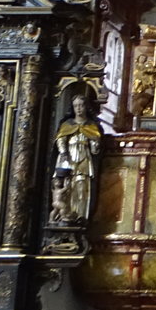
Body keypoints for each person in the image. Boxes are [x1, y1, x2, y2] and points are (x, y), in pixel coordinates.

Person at [52, 93, 103, 223]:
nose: (79, 108)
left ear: (86, 107)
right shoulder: (67, 125)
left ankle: (80, 215)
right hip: (68, 158)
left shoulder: (91, 126)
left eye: (81, 105)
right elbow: (61, 140)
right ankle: (65, 215)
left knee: (81, 187)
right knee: (66, 187)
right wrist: (63, 152)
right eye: (76, 106)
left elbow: (94, 147)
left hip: (84, 158)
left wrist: (95, 145)